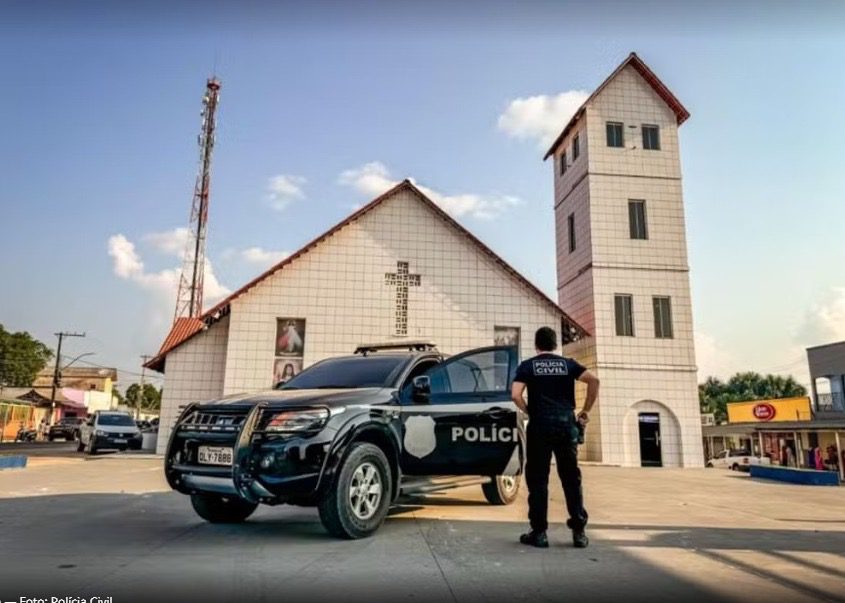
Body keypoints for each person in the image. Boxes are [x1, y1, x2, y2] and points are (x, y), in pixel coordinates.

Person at [511, 326, 600, 549]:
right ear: (555, 344)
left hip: (540, 426)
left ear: (536, 345)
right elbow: (594, 381)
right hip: (565, 425)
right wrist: (585, 411)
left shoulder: (528, 366)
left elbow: (515, 394)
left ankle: (539, 533)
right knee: (571, 479)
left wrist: (530, 411)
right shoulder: (568, 364)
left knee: (538, 480)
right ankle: (579, 532)